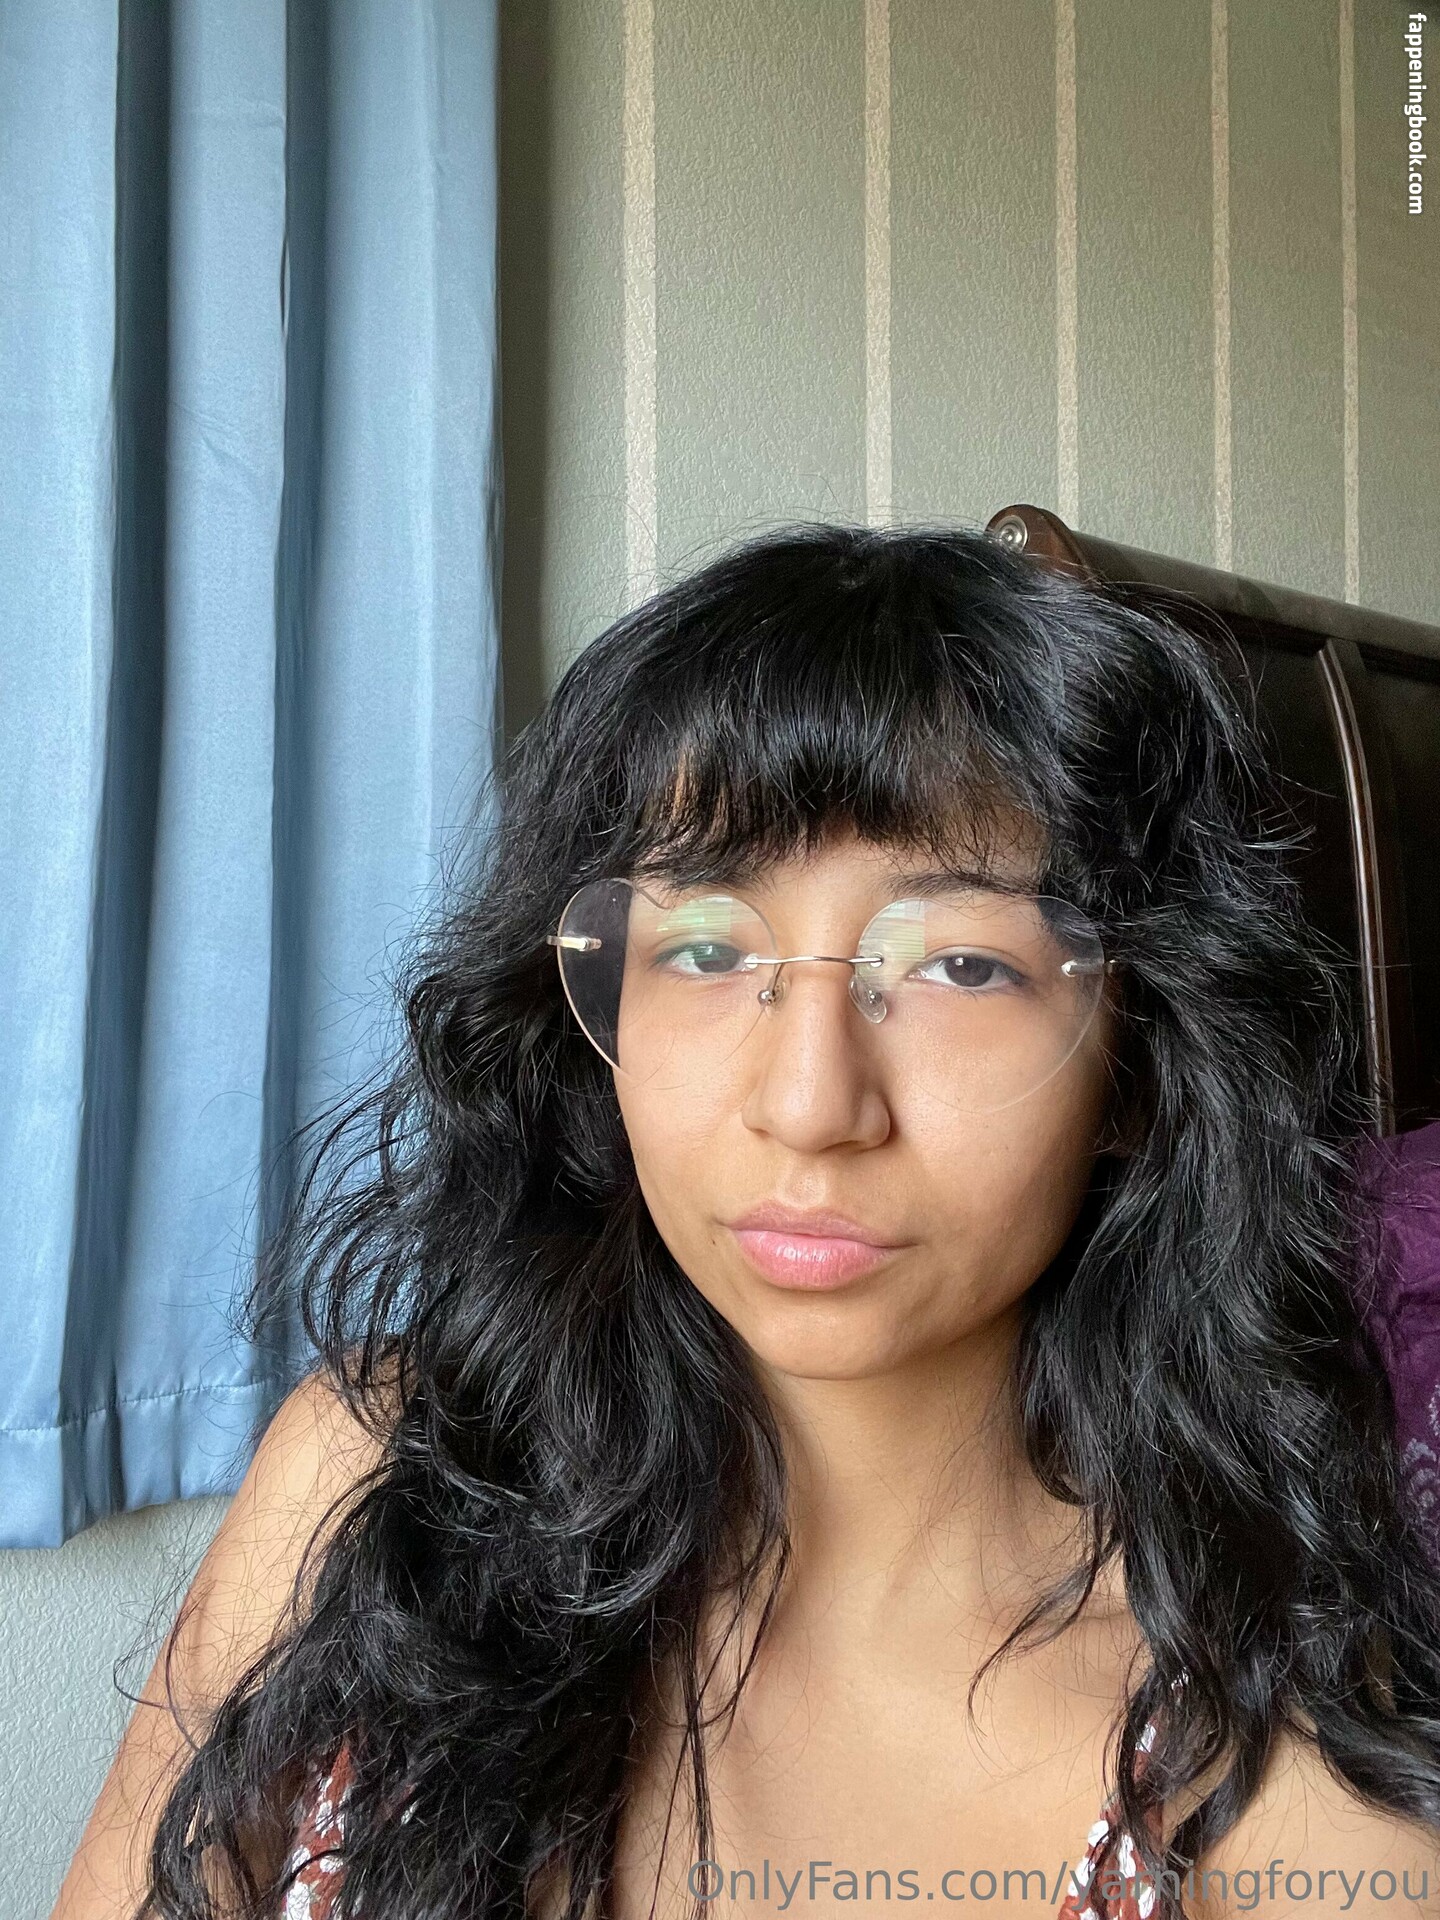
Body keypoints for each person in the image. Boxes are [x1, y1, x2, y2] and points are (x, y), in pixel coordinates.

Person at [53, 525, 1440, 1920]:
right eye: (708, 949)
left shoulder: (1271, 1799)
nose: (810, 1104)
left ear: (1136, 1063)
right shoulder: (370, 1486)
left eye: (960, 965)